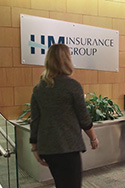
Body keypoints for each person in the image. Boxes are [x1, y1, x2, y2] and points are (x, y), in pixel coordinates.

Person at [30, 44, 99, 188]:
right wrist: (93, 138)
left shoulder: (39, 88)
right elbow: (84, 117)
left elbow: (35, 120)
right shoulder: (72, 86)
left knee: (61, 184)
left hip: (48, 148)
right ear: (67, 60)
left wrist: (35, 148)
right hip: (68, 148)